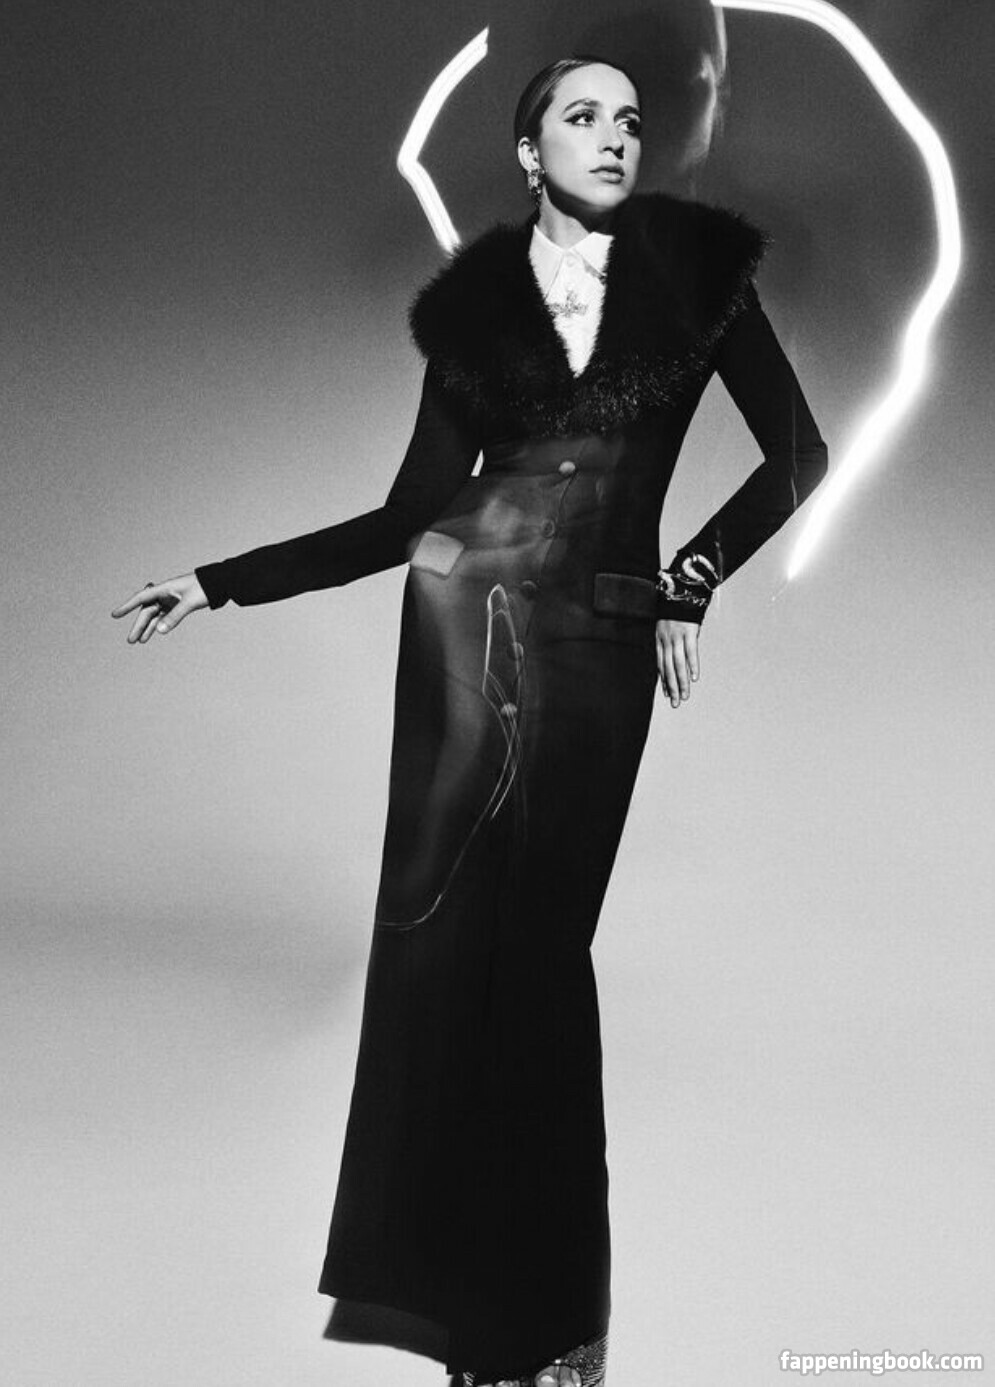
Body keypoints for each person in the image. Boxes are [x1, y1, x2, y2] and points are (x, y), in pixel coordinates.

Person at [112, 54, 828, 1387]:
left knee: (542, 971)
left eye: (630, 119)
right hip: (459, 637)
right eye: (582, 116)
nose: (615, 136)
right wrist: (222, 581)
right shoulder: (475, 312)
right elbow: (409, 515)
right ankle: (475, 1338)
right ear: (528, 150)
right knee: (448, 978)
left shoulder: (699, 277)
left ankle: (557, 1336)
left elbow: (798, 454)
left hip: (597, 644)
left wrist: (691, 581)